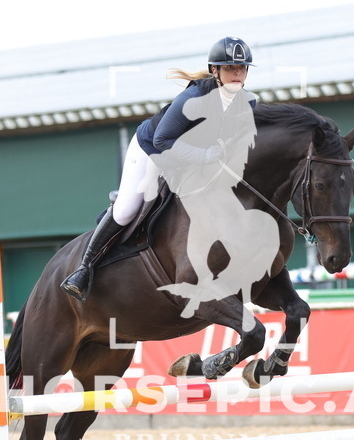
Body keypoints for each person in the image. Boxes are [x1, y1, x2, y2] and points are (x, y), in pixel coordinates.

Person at [60, 36, 257, 302]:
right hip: (152, 149)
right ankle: (84, 269)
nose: (237, 74)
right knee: (130, 207)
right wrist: (206, 155)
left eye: (242, 68)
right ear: (215, 71)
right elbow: (163, 141)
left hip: (194, 157)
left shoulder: (247, 102)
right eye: (230, 68)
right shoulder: (193, 97)